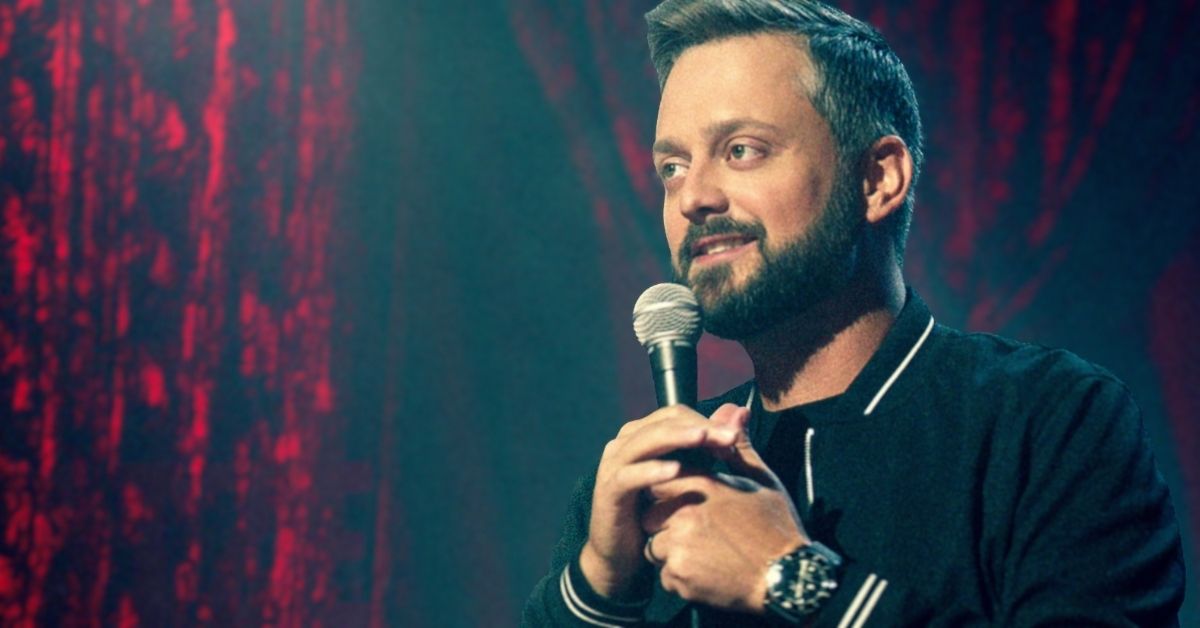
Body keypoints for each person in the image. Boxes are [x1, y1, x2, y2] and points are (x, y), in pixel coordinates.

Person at [522, 0, 1186, 625]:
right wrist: (596, 588)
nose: (692, 196)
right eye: (671, 166)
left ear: (877, 180)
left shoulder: (1049, 421)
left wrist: (794, 577)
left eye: (741, 150)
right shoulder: (639, 483)